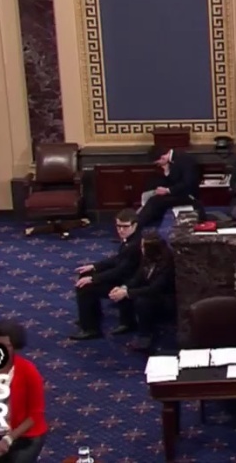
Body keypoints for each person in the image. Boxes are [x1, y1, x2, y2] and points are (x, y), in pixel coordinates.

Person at [0, 319, 47, 462]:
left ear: (15, 348)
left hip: (26, 435)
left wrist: (8, 439)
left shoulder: (28, 371)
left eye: (7, 346)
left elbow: (35, 415)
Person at [69, 209, 142, 340]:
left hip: (129, 282)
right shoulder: (130, 239)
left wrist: (94, 279)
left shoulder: (135, 245)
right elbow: (117, 259)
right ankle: (91, 315)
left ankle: (91, 329)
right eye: (118, 226)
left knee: (85, 288)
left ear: (135, 225)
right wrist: (94, 267)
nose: (121, 230)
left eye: (125, 227)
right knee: (85, 274)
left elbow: (121, 270)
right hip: (123, 275)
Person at [109, 230, 176, 353]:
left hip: (167, 298)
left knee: (142, 301)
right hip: (151, 291)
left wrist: (127, 293)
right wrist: (124, 287)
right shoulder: (147, 258)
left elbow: (155, 289)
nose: (141, 249)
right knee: (125, 289)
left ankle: (145, 336)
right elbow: (138, 277)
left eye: (143, 246)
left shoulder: (167, 264)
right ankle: (127, 323)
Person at [136, 144, 201, 228]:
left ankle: (137, 225)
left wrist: (168, 190)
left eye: (158, 163)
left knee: (155, 201)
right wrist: (166, 172)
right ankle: (142, 218)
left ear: (163, 157)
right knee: (151, 190)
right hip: (177, 191)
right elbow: (174, 180)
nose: (158, 165)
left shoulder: (184, 159)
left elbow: (188, 183)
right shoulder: (171, 160)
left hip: (188, 194)